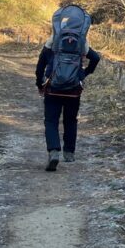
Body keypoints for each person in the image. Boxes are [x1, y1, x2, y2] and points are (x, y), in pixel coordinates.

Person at [35, 34, 100, 171]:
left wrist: (40, 85)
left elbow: (40, 66)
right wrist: (84, 74)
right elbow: (96, 58)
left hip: (53, 89)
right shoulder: (81, 41)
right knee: (71, 120)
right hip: (73, 90)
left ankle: (53, 151)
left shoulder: (53, 41)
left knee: (51, 121)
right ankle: (69, 152)